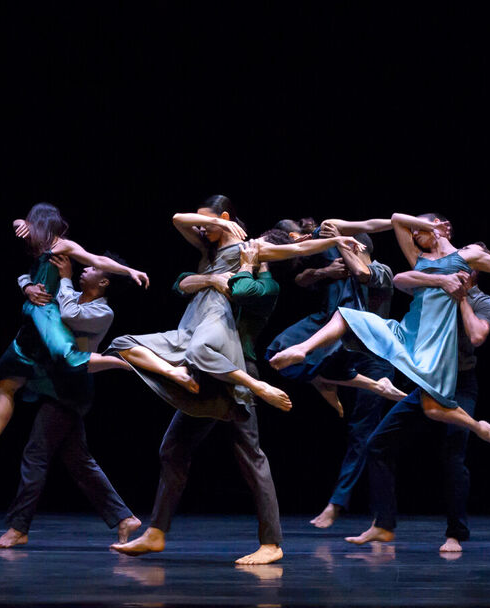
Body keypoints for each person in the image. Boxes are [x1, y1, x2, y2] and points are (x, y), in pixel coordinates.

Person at [269, 212, 490, 437]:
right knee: (347, 315)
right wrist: (427, 226)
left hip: (436, 340)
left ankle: (479, 428)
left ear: (441, 228)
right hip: (408, 330)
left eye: (423, 230)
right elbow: (396, 220)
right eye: (417, 231)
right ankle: (301, 349)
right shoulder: (419, 258)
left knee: (434, 408)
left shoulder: (467, 255)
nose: (415, 235)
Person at [104, 195, 367, 420]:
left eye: (207, 221)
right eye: (202, 223)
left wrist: (335, 242)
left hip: (217, 314)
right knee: (122, 344)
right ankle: (178, 374)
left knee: (198, 350)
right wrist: (216, 222)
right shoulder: (207, 247)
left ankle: (258, 387)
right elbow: (176, 219)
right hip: (191, 318)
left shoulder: (250, 248)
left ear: (227, 216)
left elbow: (299, 248)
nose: (202, 229)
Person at [111, 233, 288, 565]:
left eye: (256, 245)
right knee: (173, 448)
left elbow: (240, 291)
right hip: (205, 369)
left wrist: (249, 265)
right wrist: (214, 275)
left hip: (236, 373)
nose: (247, 246)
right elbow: (180, 284)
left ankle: (272, 543)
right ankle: (156, 532)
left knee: (251, 456)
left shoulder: (266, 287)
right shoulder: (229, 270)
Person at [0, 203, 148, 476]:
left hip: (45, 318)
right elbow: (17, 238)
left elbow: (98, 260)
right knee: (8, 384)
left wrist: (129, 271)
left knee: (34, 372)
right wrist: (26, 285)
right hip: (35, 320)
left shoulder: (61, 246)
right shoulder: (40, 250)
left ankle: (121, 361)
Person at [0, 252, 142, 549]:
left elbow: (67, 316)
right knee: (79, 460)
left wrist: (66, 279)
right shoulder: (71, 294)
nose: (86, 269)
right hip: (54, 383)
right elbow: (32, 279)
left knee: (36, 454)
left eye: (93, 268)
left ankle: (18, 528)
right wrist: (27, 287)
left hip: (72, 389)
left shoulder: (102, 312)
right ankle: (124, 518)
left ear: (104, 280)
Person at [345, 256, 490, 551]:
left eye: (468, 266)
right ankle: (384, 525)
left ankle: (455, 534)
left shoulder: (484, 302)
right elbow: (402, 280)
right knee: (378, 445)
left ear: (476, 272)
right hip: (428, 383)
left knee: (453, 456)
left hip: (460, 384)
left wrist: (462, 298)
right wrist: (438, 281)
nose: (458, 270)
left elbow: (477, 336)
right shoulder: (435, 288)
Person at [266, 218, 403, 529]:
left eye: (347, 248)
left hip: (375, 355)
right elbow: (301, 278)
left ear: (358, 248)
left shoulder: (381, 270)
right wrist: (326, 269)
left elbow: (361, 273)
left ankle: (340, 505)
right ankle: (323, 378)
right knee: (280, 355)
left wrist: (343, 245)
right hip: (336, 345)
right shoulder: (337, 265)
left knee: (364, 434)